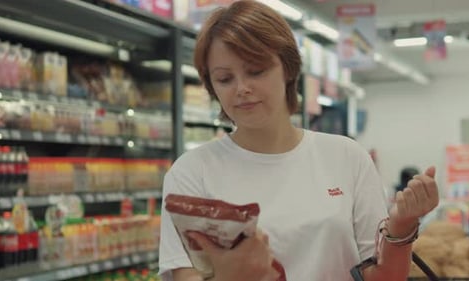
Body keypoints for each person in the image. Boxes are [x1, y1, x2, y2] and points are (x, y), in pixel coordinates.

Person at [158, 1, 440, 281]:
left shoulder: (347, 157)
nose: (242, 88)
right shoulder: (191, 173)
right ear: (211, 86)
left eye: (256, 71)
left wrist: (402, 226)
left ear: (288, 68)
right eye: (224, 78)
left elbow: (383, 277)